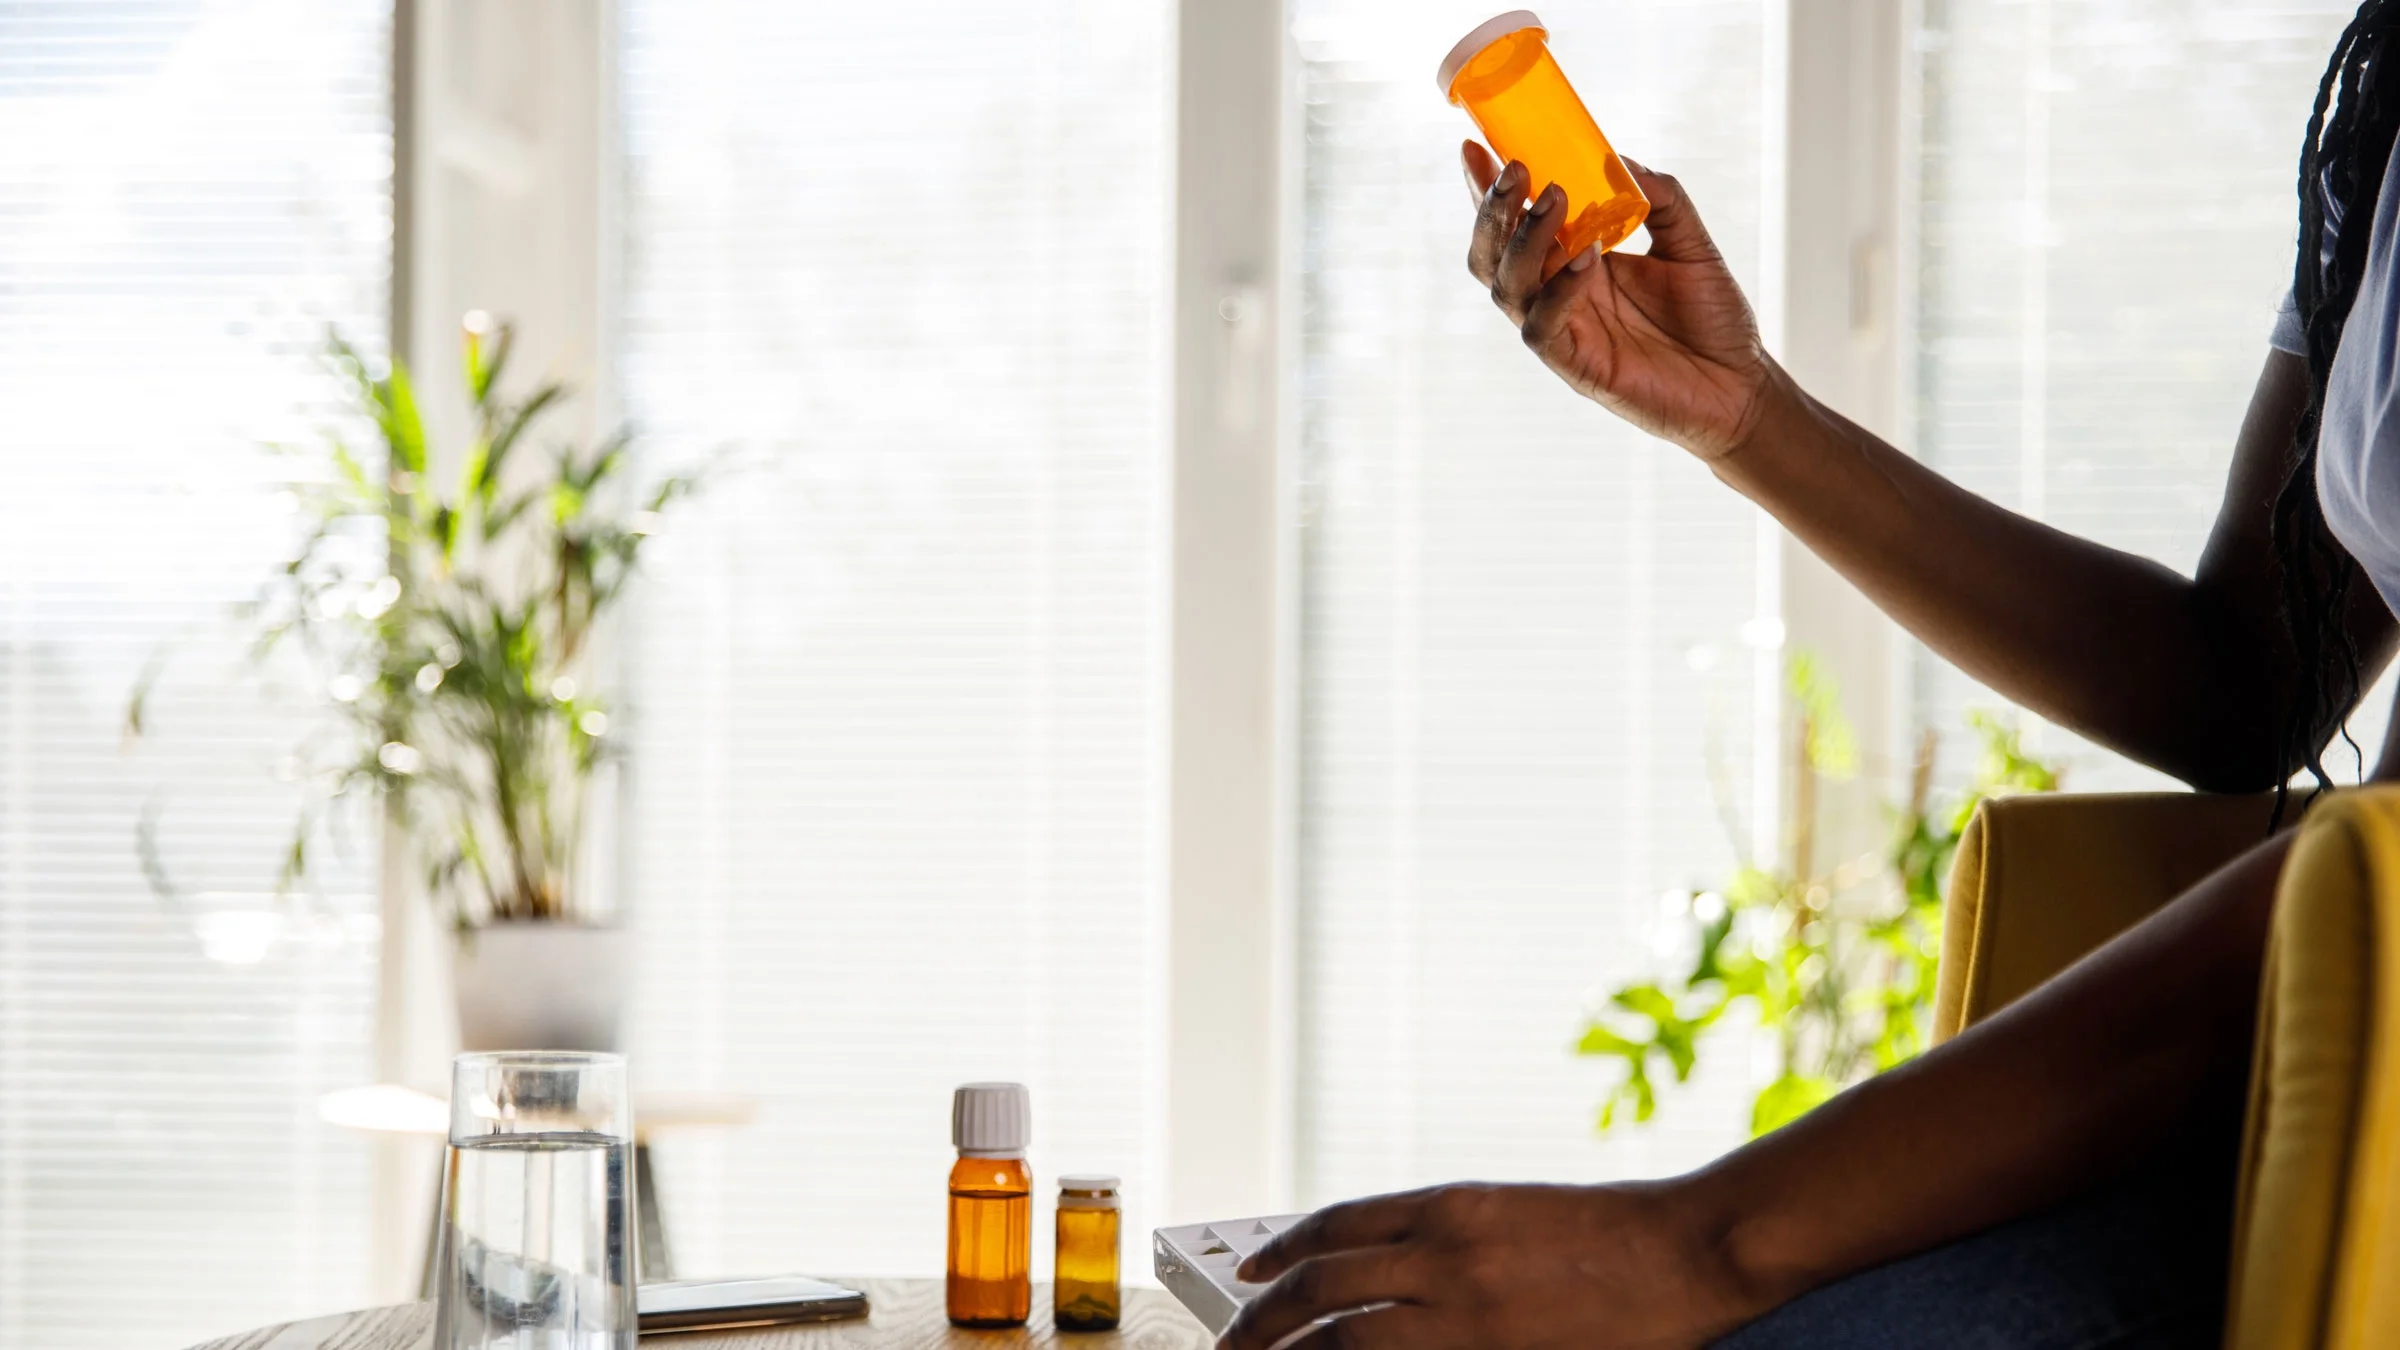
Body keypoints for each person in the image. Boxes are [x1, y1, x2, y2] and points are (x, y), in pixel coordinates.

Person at [1213, 6, 2400, 1348]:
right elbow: (2243, 683)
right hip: (2303, 1091)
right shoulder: (2388, 105)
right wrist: (1745, 412)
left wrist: (1685, 1240)